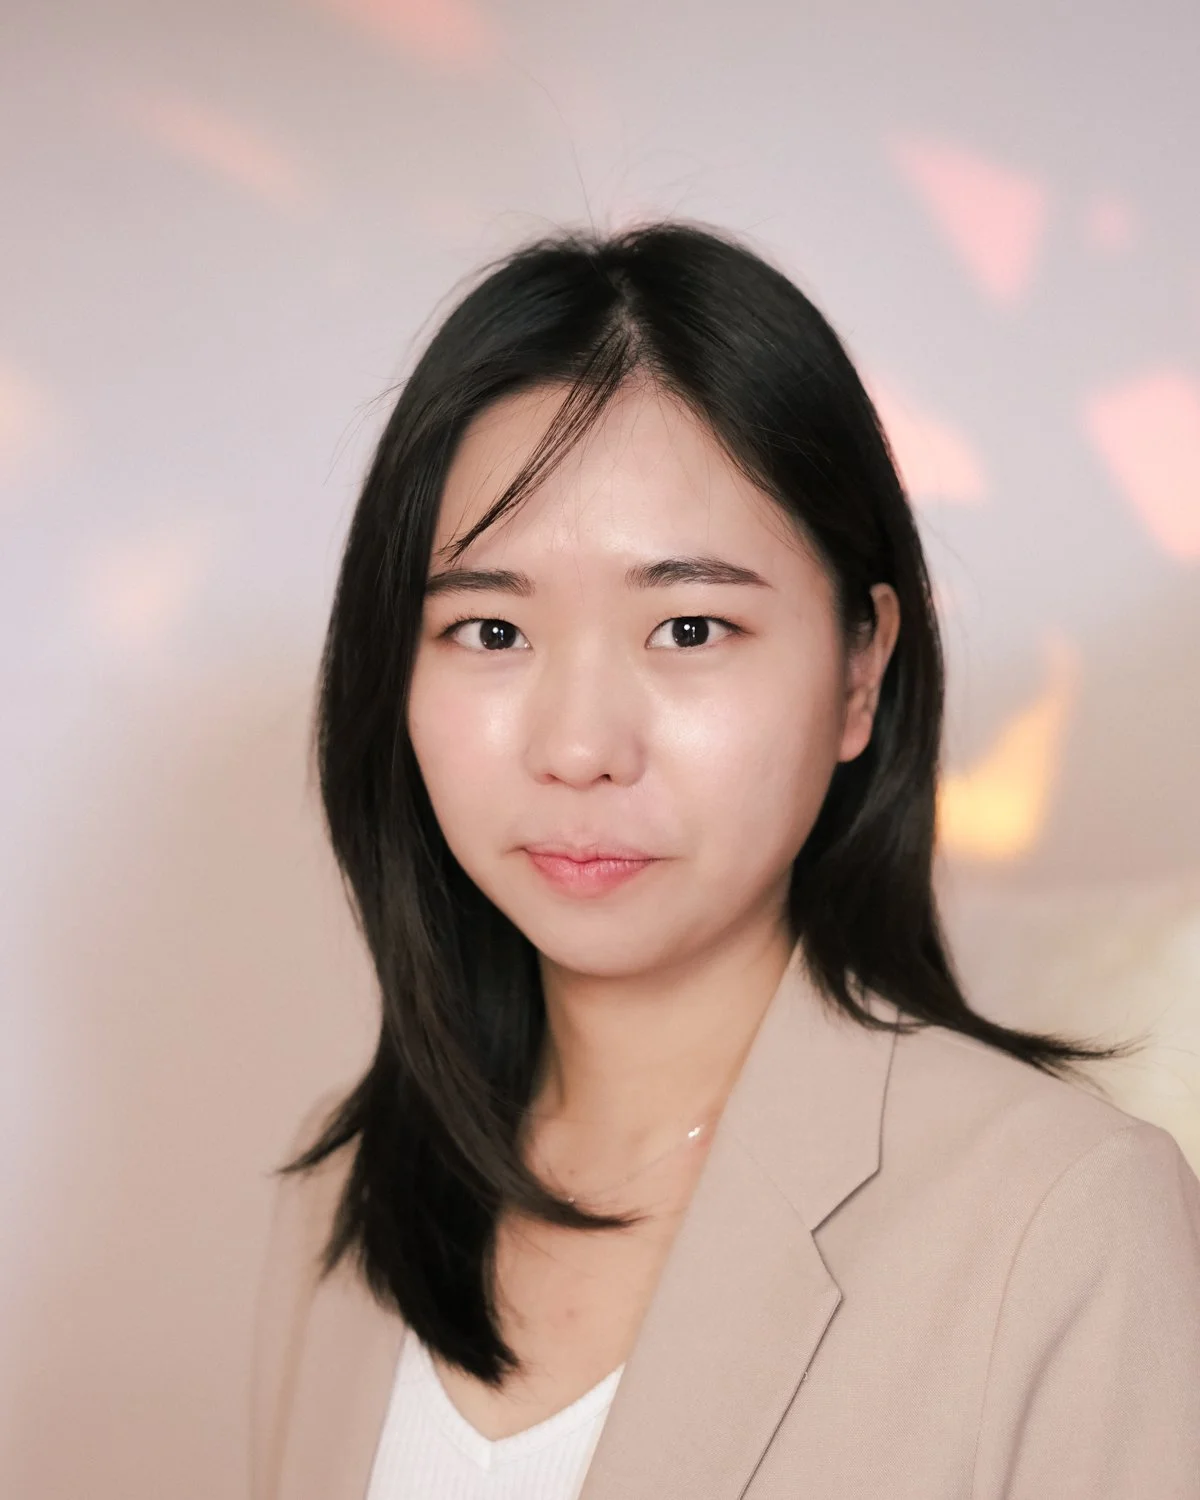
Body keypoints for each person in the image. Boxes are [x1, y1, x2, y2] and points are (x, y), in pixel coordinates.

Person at [249, 220, 1200, 1500]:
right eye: (489, 627)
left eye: (688, 626)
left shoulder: (1065, 1219)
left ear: (861, 666)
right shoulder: (352, 1192)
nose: (579, 746)